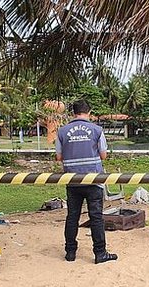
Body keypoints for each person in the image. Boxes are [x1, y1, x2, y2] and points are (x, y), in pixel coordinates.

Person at [55, 99, 118, 264]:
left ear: (73, 113)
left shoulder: (62, 131)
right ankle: (100, 253)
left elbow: (59, 157)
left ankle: (70, 252)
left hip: (72, 180)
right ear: (88, 112)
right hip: (93, 179)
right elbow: (103, 155)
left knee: (72, 217)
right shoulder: (97, 130)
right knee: (96, 217)